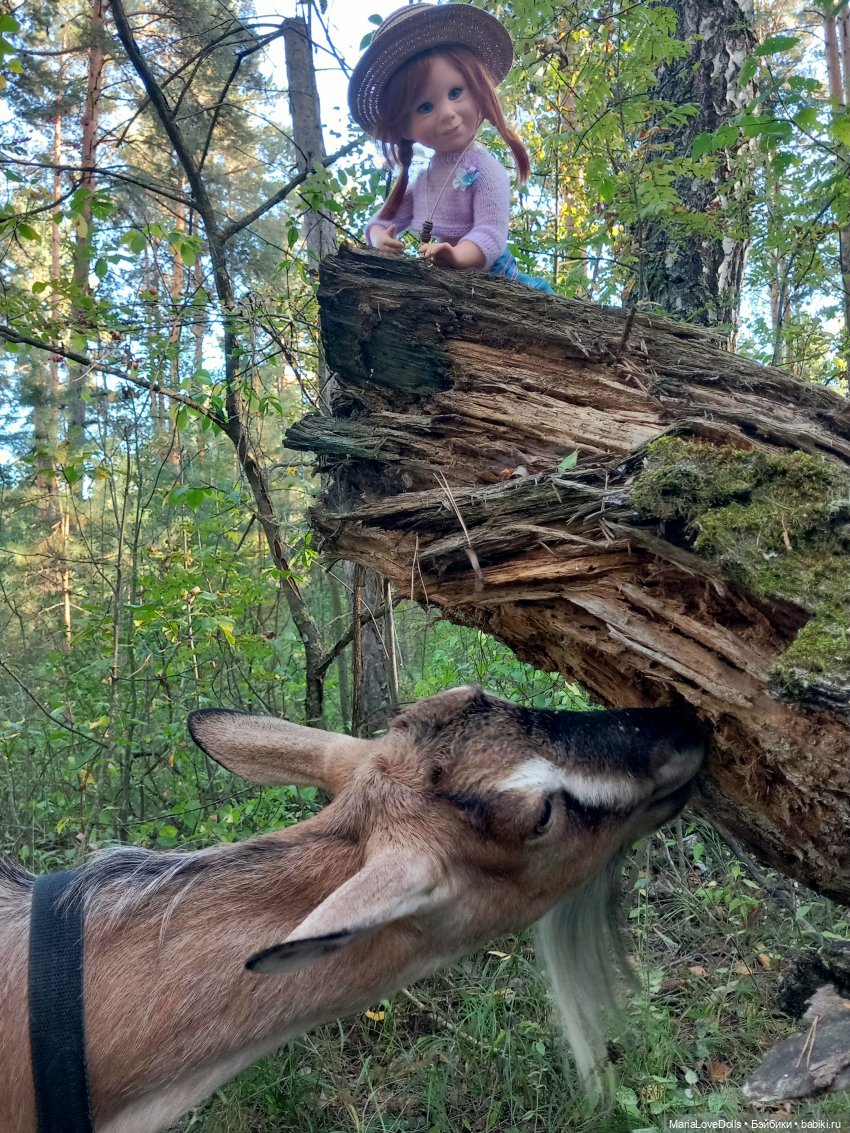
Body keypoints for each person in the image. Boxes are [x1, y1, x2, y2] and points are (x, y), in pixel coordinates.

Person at [348, 2, 553, 292]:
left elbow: (491, 233)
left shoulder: (485, 169)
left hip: (495, 278)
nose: (446, 113)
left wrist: (457, 256)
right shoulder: (423, 181)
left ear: (479, 91)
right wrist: (379, 238)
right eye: (425, 107)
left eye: (456, 92)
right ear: (405, 128)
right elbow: (382, 220)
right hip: (448, 285)